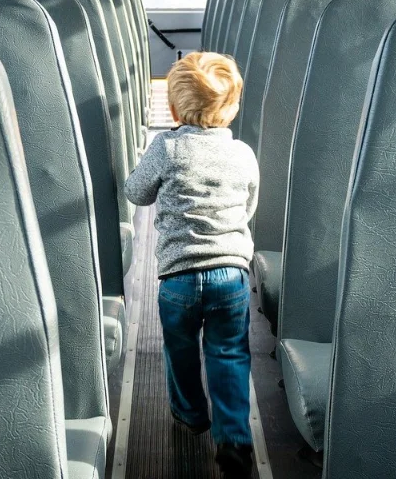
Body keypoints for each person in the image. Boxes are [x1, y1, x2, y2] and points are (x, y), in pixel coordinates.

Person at [125, 51, 259, 478]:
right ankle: (234, 437)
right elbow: (248, 206)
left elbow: (136, 192)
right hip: (231, 276)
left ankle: (189, 414)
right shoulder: (242, 153)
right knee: (229, 352)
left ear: (174, 108)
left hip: (178, 279)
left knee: (180, 350)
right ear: (233, 106)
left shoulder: (167, 147)